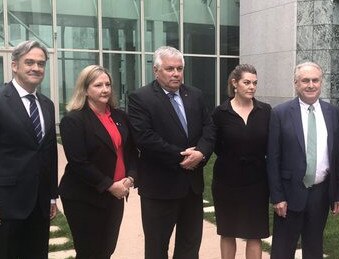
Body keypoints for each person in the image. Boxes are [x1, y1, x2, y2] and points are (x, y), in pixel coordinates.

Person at [128, 46, 215, 259]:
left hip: (191, 188)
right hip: (159, 188)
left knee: (189, 246)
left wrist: (201, 153)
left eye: (179, 68)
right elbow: (145, 138)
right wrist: (182, 156)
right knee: (157, 248)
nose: (176, 73)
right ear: (156, 71)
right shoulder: (141, 98)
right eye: (169, 69)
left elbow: (209, 128)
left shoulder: (195, 95)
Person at [267, 61, 339, 259]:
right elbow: (273, 158)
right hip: (289, 194)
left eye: (315, 80)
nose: (310, 85)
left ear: (321, 82)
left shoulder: (334, 113)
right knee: (282, 250)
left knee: (314, 249)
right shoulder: (280, 113)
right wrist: (277, 197)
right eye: (305, 80)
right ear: (296, 83)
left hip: (320, 194)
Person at [59, 65, 137, 258]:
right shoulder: (74, 120)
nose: (105, 89)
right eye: (98, 85)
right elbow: (79, 163)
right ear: (85, 90)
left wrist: (130, 178)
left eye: (108, 84)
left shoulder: (120, 116)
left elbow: (132, 152)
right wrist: (110, 185)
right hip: (84, 197)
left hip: (117, 194)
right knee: (89, 252)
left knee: (107, 249)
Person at [0, 40, 58, 258]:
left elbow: (49, 153)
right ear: (15, 66)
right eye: (30, 62)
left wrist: (52, 196)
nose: (36, 68)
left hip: (40, 202)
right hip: (8, 202)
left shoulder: (47, 105)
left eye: (41, 63)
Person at [212, 64, 271, 259]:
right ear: (234, 83)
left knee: (255, 234)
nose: (252, 87)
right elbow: (214, 145)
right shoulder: (220, 113)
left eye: (254, 83)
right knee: (227, 231)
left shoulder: (266, 111)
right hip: (226, 181)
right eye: (247, 82)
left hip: (257, 181)